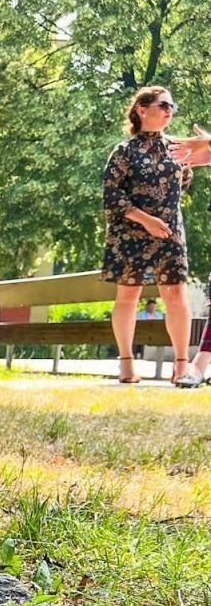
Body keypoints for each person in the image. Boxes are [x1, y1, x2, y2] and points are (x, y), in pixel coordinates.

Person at [101, 86, 193, 386]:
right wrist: (146, 219)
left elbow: (184, 184)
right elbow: (112, 196)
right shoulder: (124, 151)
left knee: (176, 295)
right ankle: (126, 363)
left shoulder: (176, 147)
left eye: (172, 106)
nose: (169, 111)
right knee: (128, 295)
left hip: (169, 231)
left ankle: (181, 365)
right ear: (142, 109)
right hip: (131, 232)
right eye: (163, 104)